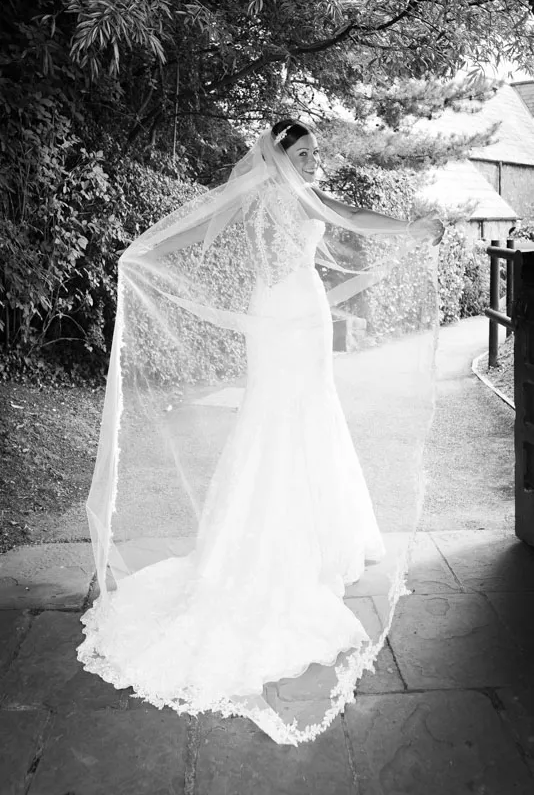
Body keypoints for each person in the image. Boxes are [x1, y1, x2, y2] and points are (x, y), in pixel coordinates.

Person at [77, 119, 443, 746]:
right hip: (276, 318)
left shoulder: (305, 195)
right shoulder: (254, 193)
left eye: (312, 151)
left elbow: (348, 216)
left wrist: (409, 230)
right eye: (298, 151)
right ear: (274, 153)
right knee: (271, 419)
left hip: (307, 313)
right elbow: (201, 228)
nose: (309, 159)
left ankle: (328, 534)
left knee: (314, 412)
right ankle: (269, 547)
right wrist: (144, 254)